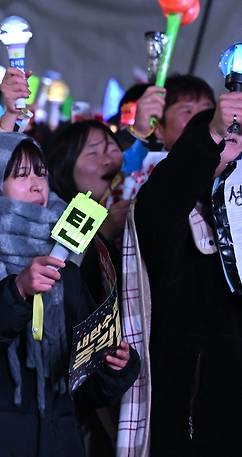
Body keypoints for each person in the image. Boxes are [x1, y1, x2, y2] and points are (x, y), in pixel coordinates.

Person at [0, 133, 139, 457]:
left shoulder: (66, 266)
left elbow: (80, 391)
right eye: (20, 175)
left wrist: (112, 367)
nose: (37, 185)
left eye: (41, 173)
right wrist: (16, 291)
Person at [134, 91, 242, 455]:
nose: (233, 148)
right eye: (227, 138)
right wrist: (211, 137)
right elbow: (158, 205)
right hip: (196, 399)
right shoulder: (180, 214)